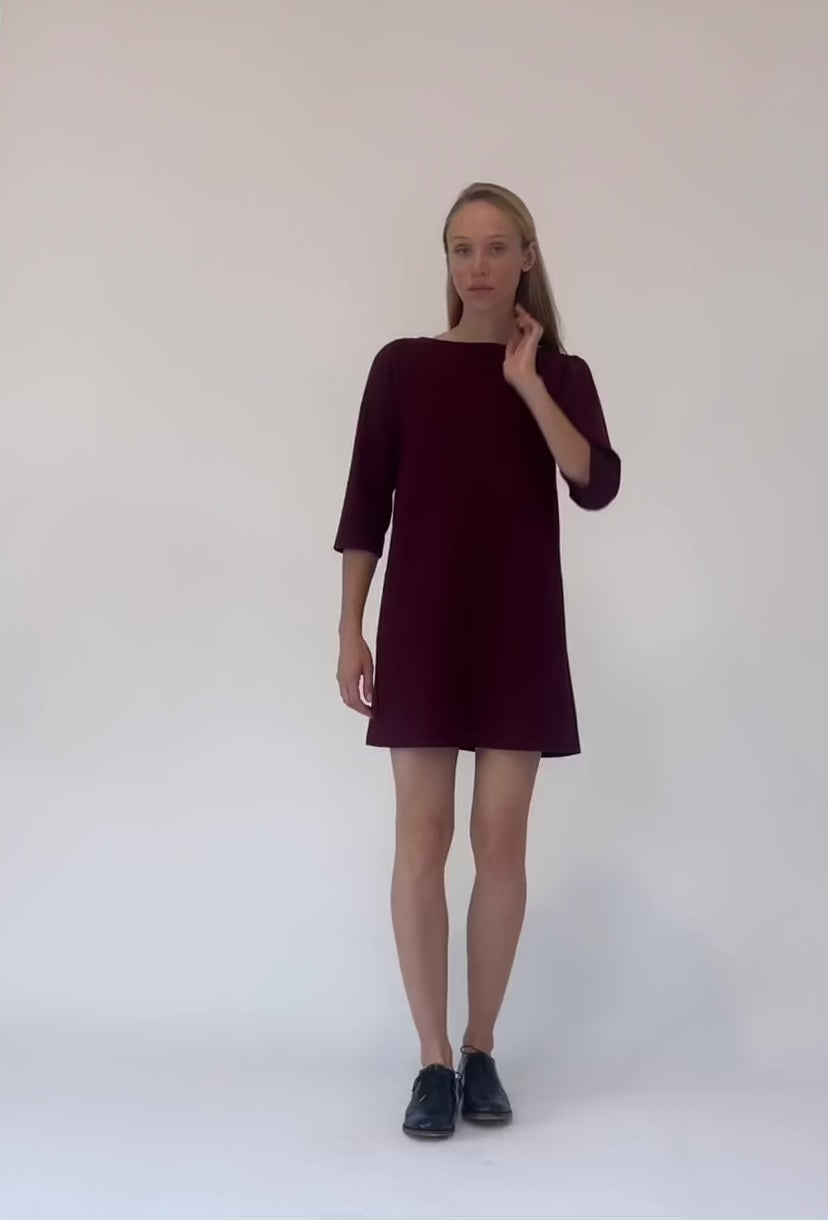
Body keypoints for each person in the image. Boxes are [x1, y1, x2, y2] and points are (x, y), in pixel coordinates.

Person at [334, 182, 620, 1139]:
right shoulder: (403, 367)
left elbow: (595, 482)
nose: (479, 266)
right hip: (422, 624)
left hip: (517, 630)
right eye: (463, 249)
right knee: (421, 840)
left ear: (528, 257)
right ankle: (431, 1060)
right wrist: (351, 627)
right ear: (448, 262)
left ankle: (482, 1047)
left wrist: (528, 383)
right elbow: (365, 505)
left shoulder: (561, 374)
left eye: (498, 247)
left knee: (501, 846)